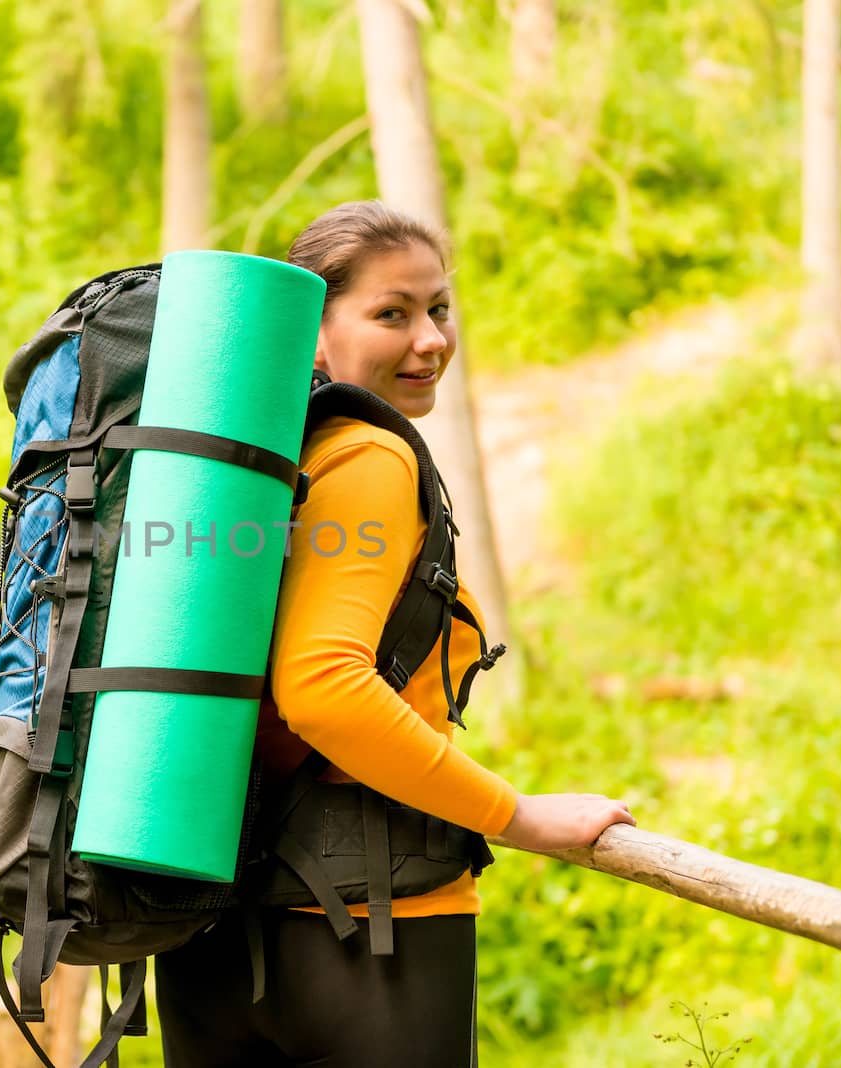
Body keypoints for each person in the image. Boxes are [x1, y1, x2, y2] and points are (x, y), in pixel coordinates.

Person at [154, 201, 636, 1067]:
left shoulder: (247, 467)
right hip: (370, 930)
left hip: (208, 930)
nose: (431, 340)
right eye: (393, 313)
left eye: (438, 309)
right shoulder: (368, 459)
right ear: (312, 332)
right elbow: (322, 686)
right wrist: (519, 816)